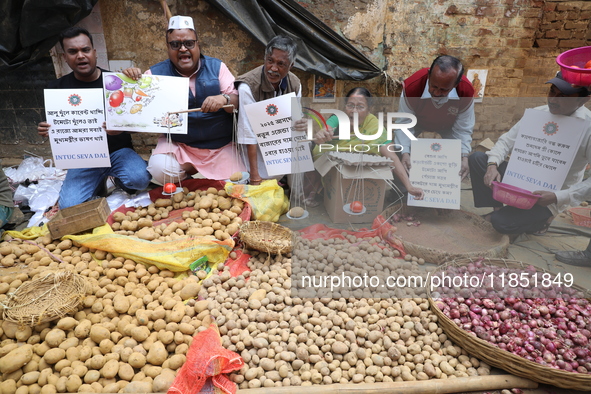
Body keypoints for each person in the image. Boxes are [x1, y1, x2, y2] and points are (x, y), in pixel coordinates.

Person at [37, 27, 151, 209]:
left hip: (118, 153)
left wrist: (121, 126)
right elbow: (56, 126)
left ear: (94, 53)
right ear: (65, 57)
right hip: (83, 158)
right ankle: (98, 184)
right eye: (73, 52)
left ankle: (119, 183)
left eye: (85, 50)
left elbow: (140, 121)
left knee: (140, 179)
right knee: (69, 206)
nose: (80, 56)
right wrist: (47, 129)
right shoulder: (57, 88)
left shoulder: (116, 82)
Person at [123, 16, 243, 184]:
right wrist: (131, 80)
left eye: (189, 43)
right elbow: (136, 111)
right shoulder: (155, 74)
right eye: (175, 45)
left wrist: (223, 99)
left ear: (198, 44)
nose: (183, 49)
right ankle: (191, 183)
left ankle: (203, 182)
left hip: (219, 146)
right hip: (180, 147)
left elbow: (236, 101)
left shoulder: (217, 67)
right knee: (159, 169)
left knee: (241, 178)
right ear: (167, 47)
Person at [469, 72, 591, 235]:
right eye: (552, 92)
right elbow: (506, 141)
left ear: (583, 100)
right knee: (478, 159)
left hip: (547, 198)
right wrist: (492, 166)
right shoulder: (538, 114)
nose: (553, 100)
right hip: (518, 181)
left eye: (563, 96)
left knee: (501, 224)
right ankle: (498, 209)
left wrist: (558, 196)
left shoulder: (587, 128)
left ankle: (540, 222)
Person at [307, 87, 424, 205]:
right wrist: (322, 134)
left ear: (369, 109)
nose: (354, 111)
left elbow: (392, 158)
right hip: (334, 174)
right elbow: (326, 129)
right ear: (344, 107)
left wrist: (409, 187)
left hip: (361, 177)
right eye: (350, 105)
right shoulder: (337, 118)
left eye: (360, 107)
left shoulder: (375, 128)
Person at [234, 35, 314, 185]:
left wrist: (301, 124)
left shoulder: (295, 84)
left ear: (291, 65)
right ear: (265, 59)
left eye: (281, 64)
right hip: (254, 144)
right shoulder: (248, 86)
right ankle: (261, 177)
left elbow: (294, 121)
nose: (273, 68)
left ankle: (296, 196)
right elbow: (248, 133)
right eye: (270, 61)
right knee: (256, 181)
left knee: (304, 141)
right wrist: (254, 176)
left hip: (277, 139)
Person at [391, 55, 475, 180]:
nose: (436, 93)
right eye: (434, 86)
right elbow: (404, 124)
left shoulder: (465, 91)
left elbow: (463, 128)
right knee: (399, 148)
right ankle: (402, 190)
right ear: (429, 75)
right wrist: (405, 153)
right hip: (416, 122)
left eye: (443, 89)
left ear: (456, 84)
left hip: (448, 126)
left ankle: (444, 188)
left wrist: (464, 156)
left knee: (456, 157)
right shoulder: (412, 87)